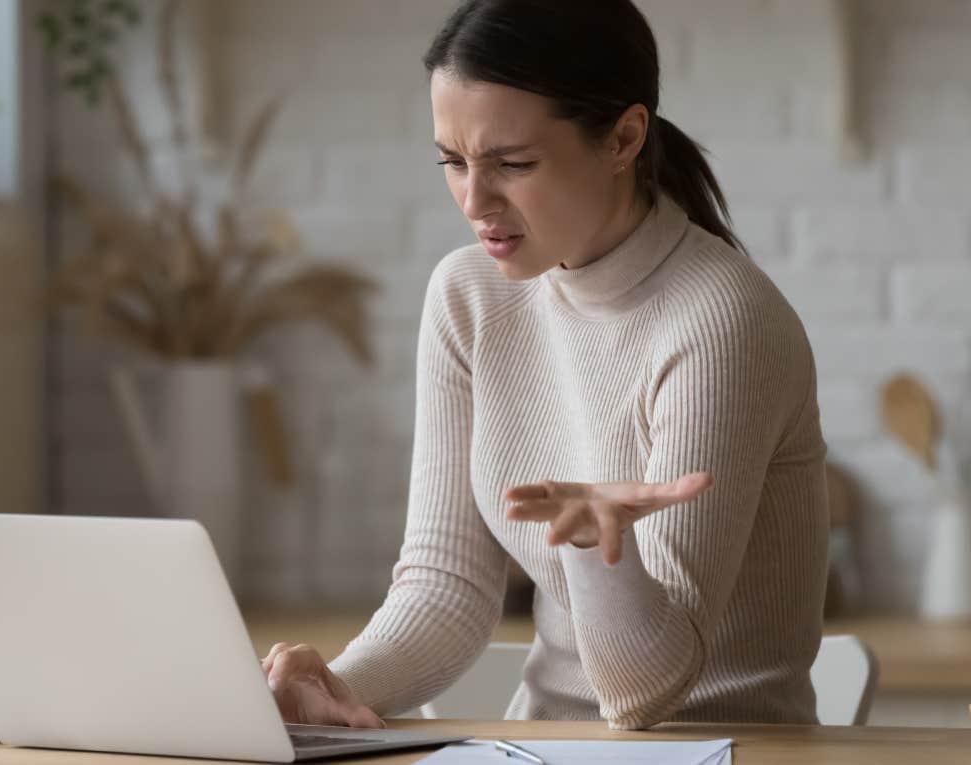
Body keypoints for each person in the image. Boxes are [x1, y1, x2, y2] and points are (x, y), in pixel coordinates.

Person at [260, 0, 828, 731]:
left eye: (512, 164)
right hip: (540, 744)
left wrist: (598, 555)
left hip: (727, 747)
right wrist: (335, 690)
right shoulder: (469, 297)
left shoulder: (720, 322)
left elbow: (646, 693)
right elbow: (445, 591)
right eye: (453, 162)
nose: (474, 199)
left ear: (623, 138)